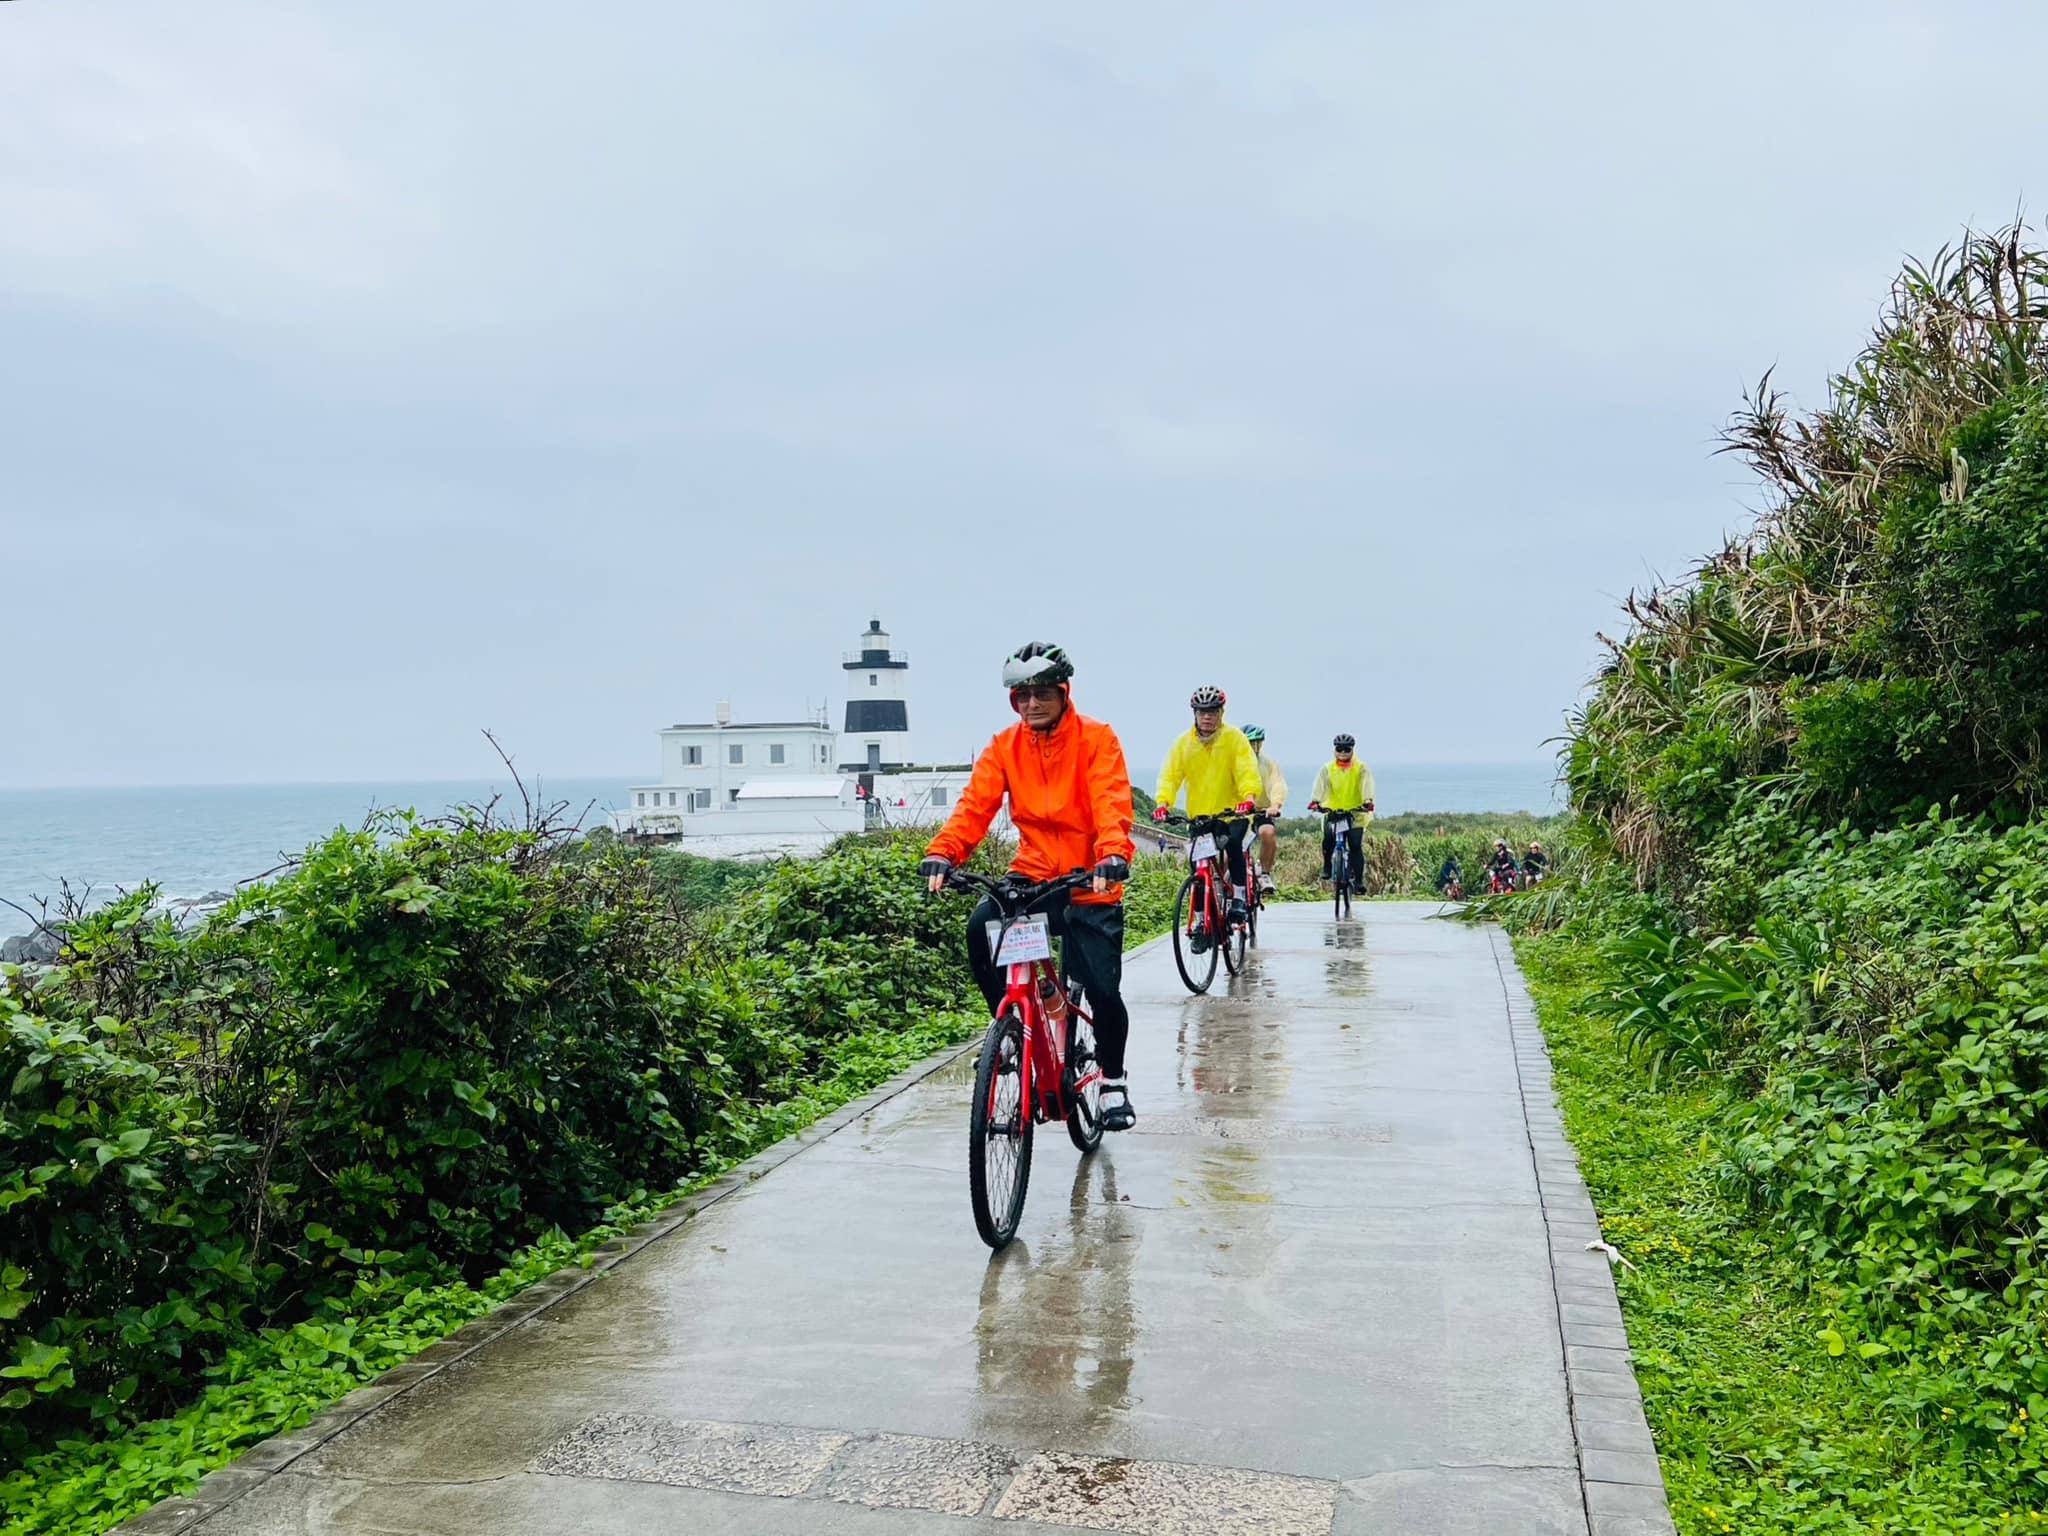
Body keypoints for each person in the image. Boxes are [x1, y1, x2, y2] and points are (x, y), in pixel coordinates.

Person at [919, 642, 1140, 1131]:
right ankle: (1012, 1032)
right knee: (981, 928)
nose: (1031, 704)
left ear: (1063, 693)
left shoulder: (1097, 739)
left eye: (1041, 693)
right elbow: (974, 807)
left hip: (1089, 878)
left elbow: (1111, 802)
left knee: (1103, 988)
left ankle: (1113, 1081)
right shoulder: (1004, 747)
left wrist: (1111, 855)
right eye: (1021, 695)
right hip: (1035, 873)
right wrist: (943, 852)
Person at [1151, 685, 1261, 939]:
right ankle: (1200, 921)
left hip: (1232, 813)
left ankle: (1240, 899)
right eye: (1202, 712)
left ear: (1221, 712)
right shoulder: (1183, 744)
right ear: (1195, 714)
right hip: (1200, 816)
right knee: (1197, 867)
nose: (1207, 717)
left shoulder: (1235, 739)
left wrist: (1249, 797)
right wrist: (1162, 803)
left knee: (1234, 844)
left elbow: (1246, 769)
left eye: (1212, 711)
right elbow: (1170, 775)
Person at [1306, 734, 1375, 885]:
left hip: (1355, 813)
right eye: (1339, 749)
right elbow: (1320, 785)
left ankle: (1358, 882)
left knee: (1355, 845)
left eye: (1346, 749)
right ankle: (1327, 865)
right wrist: (1315, 802)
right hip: (1333, 812)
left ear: (1352, 750)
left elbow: (1366, 785)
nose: (1343, 752)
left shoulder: (1361, 768)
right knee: (1328, 840)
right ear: (1335, 750)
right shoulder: (1328, 769)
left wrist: (1367, 801)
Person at [1242, 725, 1288, 895]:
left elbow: (1277, 784)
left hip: (1261, 810)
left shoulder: (1268, 764)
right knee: (1226, 853)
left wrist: (1275, 805)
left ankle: (1265, 874)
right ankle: (1220, 886)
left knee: (1268, 833)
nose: (1253, 746)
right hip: (1237, 813)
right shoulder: (1233, 762)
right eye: (1249, 743)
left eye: (1256, 742)